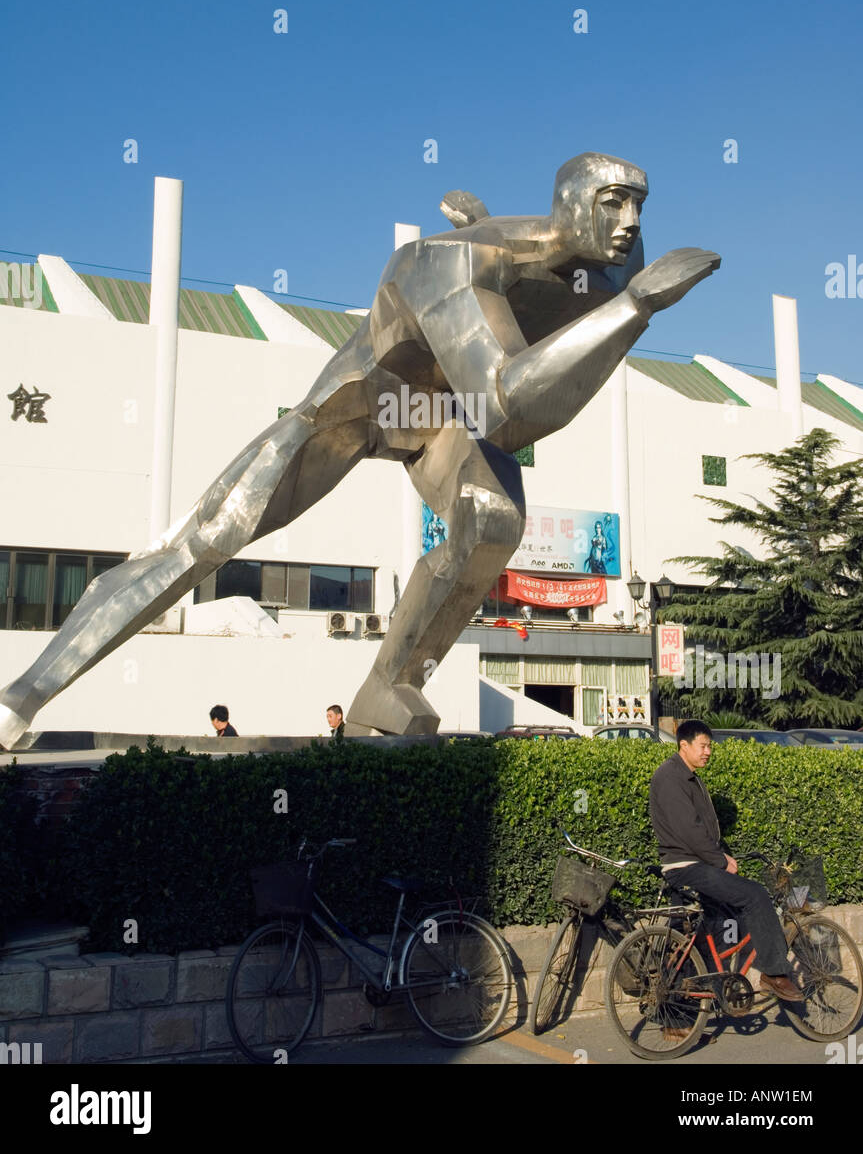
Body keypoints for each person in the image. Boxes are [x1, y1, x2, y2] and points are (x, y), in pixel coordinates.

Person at [0, 151, 719, 747]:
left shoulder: (615, 263)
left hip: (443, 415)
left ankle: (388, 686)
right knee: (209, 536)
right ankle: (26, 693)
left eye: (638, 206)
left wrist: (624, 301)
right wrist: (636, 310)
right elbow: (505, 408)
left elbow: (525, 397)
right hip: (361, 402)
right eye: (612, 202)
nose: (628, 223)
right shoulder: (444, 262)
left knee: (491, 524)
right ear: (568, 203)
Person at [649, 719, 801, 1015]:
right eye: (703, 746)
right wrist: (720, 860)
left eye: (709, 746)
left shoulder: (687, 776)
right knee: (755, 895)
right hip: (686, 866)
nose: (708, 752)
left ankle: (682, 1020)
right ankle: (774, 973)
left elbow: (700, 830)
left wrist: (723, 857)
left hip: (691, 863)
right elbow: (689, 830)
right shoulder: (671, 777)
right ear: (684, 745)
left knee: (703, 936)